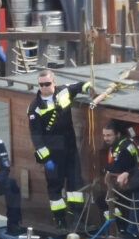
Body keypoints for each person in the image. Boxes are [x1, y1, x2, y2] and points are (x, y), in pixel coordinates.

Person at [27, 69, 91, 230]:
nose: (44, 87)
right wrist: (46, 159)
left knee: (75, 185)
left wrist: (89, 88)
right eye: (41, 84)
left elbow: (79, 86)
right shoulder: (35, 107)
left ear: (54, 82)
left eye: (47, 83)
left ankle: (78, 220)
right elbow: (36, 136)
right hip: (53, 153)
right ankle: (60, 221)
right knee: (55, 188)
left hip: (69, 148)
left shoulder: (63, 92)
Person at [95, 120, 139, 237]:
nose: (106, 138)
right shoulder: (119, 145)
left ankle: (122, 228)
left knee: (103, 201)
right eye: (104, 135)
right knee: (104, 200)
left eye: (109, 135)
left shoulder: (125, 147)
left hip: (131, 186)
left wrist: (107, 169)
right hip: (123, 186)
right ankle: (119, 227)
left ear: (118, 134)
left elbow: (117, 166)